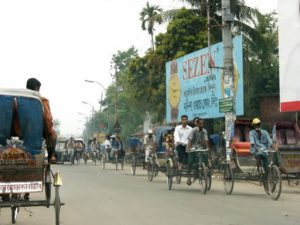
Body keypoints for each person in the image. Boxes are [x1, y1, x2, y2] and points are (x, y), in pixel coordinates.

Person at [26, 78, 57, 162]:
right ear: (36, 88)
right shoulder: (42, 101)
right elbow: (48, 119)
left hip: (19, 133)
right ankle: (51, 156)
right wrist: (49, 131)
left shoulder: (18, 100)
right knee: (53, 133)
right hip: (37, 133)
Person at [186, 118, 209, 185]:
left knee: (205, 157)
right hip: (192, 147)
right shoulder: (193, 130)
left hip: (200, 147)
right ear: (198, 124)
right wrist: (190, 148)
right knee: (190, 161)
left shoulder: (204, 131)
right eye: (200, 123)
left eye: (203, 124)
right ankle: (189, 177)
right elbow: (190, 140)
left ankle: (205, 169)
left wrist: (208, 147)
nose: (202, 125)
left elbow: (206, 140)